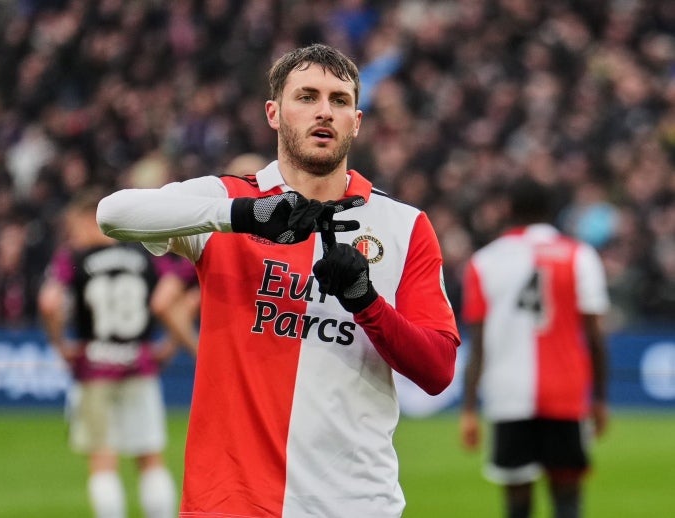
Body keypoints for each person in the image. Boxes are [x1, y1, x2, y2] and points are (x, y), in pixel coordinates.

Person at [96, 43, 460, 518]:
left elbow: (437, 371)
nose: (324, 112)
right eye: (306, 97)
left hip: (355, 504)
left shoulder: (404, 225)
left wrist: (365, 300)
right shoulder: (226, 201)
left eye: (339, 100)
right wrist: (243, 215)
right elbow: (112, 215)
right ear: (274, 113)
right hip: (230, 503)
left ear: (357, 120)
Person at [38, 188, 196, 518]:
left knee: (102, 459)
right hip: (140, 363)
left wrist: (60, 346)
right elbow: (172, 297)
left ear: (87, 221)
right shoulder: (144, 256)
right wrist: (169, 344)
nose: (73, 234)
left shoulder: (73, 259)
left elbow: (49, 303)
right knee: (149, 456)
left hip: (94, 366)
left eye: (75, 226)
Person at [459, 176, 610, 518]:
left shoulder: (484, 261)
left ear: (509, 209)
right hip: (567, 394)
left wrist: (469, 408)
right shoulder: (579, 256)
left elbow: (478, 344)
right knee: (567, 499)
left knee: (517, 504)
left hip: (509, 395)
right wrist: (599, 399)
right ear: (550, 209)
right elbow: (596, 339)